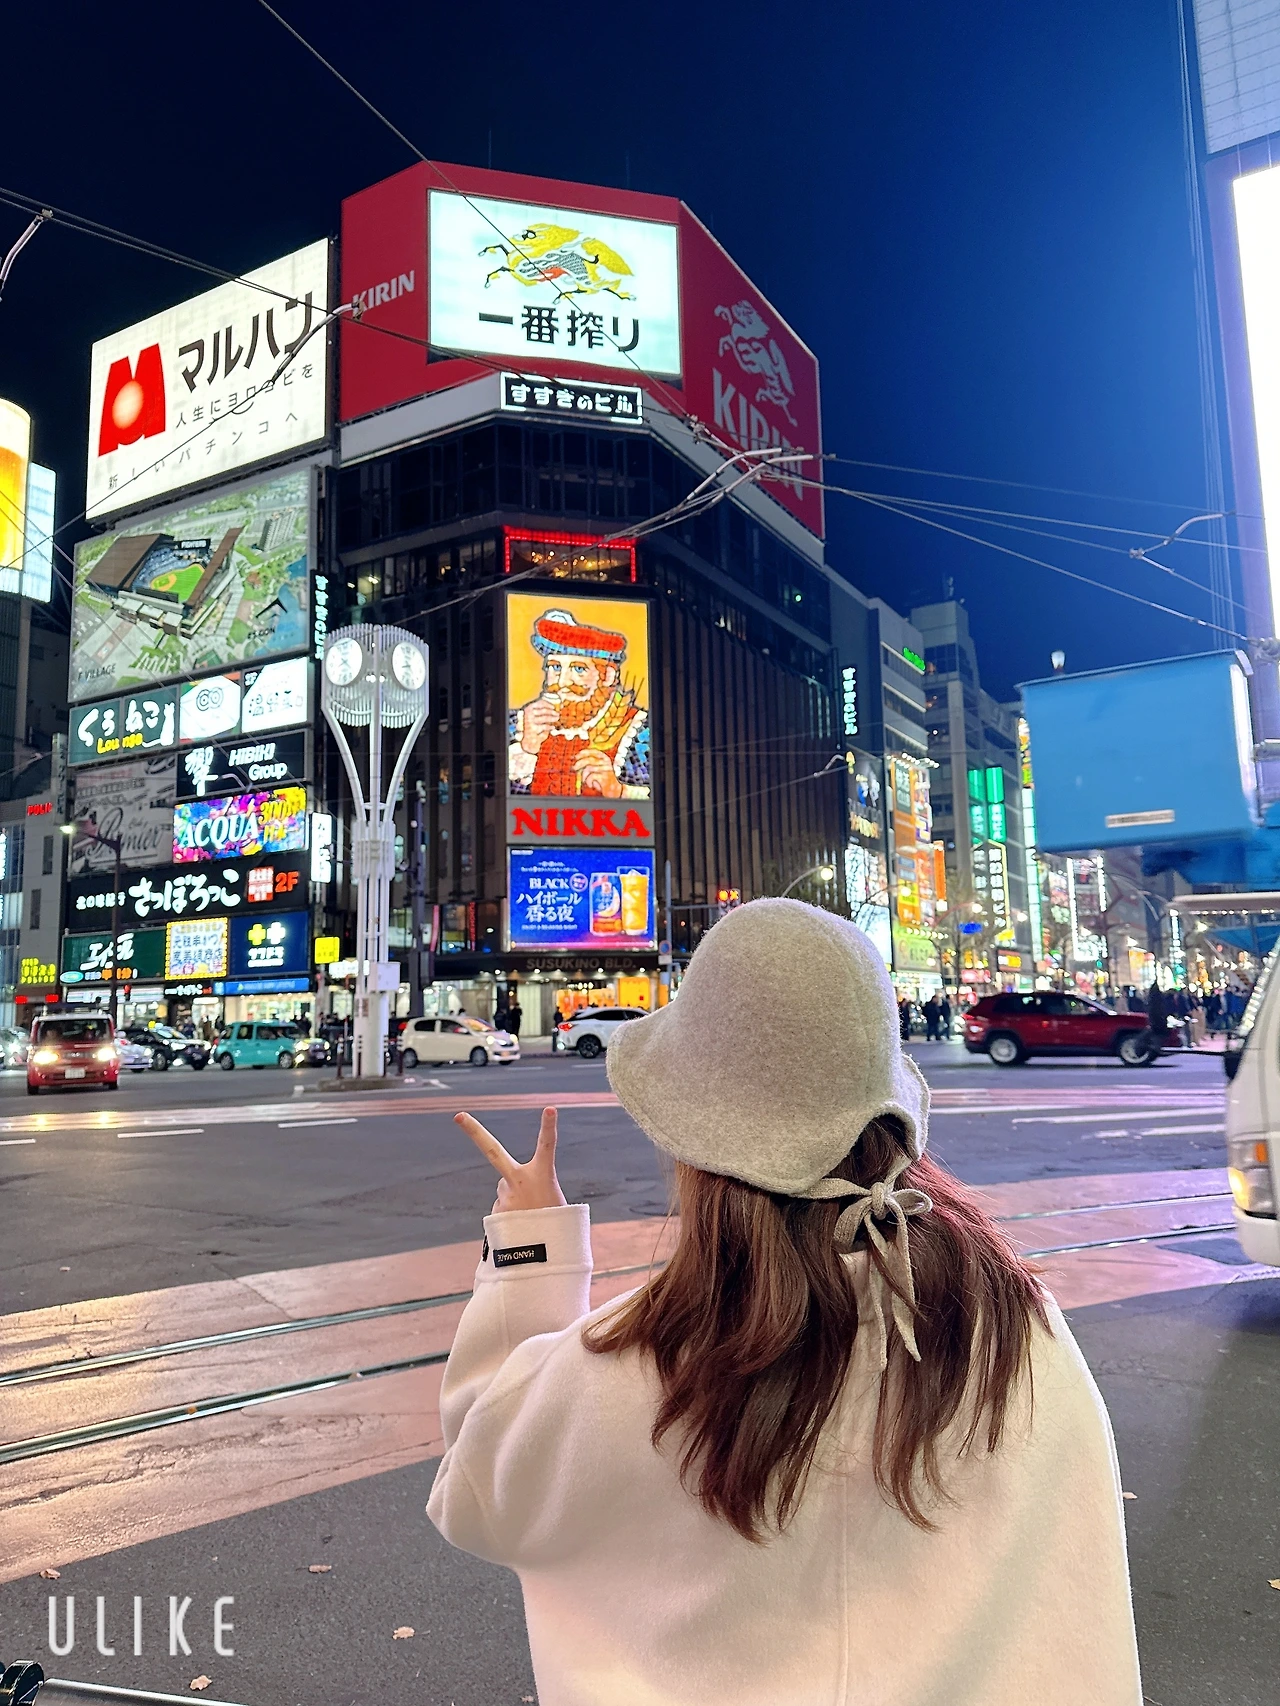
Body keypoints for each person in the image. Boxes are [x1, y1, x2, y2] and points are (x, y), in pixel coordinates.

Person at [430, 900, 1142, 1706]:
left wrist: (529, 1251)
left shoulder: (638, 1367)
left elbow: (479, 1485)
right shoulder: (1017, 1327)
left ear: (693, 1138)